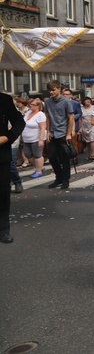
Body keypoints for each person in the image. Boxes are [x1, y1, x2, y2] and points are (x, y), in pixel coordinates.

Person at [0, 91, 24, 244]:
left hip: (1, 154)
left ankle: (3, 230)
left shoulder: (4, 100)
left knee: (2, 193)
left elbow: (19, 123)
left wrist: (7, 137)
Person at [44, 80, 74, 190]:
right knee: (51, 157)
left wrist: (69, 134)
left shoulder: (66, 101)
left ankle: (65, 179)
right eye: (49, 90)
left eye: (53, 90)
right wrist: (47, 132)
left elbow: (70, 117)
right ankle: (59, 177)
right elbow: (47, 117)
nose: (51, 92)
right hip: (52, 132)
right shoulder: (48, 102)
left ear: (59, 89)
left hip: (62, 133)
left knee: (64, 158)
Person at [22, 98, 46, 179]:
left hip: (36, 138)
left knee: (37, 154)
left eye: (33, 105)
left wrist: (41, 139)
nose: (30, 106)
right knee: (27, 154)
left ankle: (38, 171)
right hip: (26, 138)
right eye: (30, 104)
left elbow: (43, 128)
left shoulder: (40, 114)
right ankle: (40, 166)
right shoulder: (28, 112)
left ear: (38, 106)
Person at [79, 96, 94, 161]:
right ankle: (89, 154)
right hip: (84, 126)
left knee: (92, 139)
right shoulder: (81, 108)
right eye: (86, 101)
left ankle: (93, 154)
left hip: (92, 125)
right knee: (87, 141)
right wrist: (80, 128)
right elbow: (80, 119)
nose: (88, 102)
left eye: (89, 100)